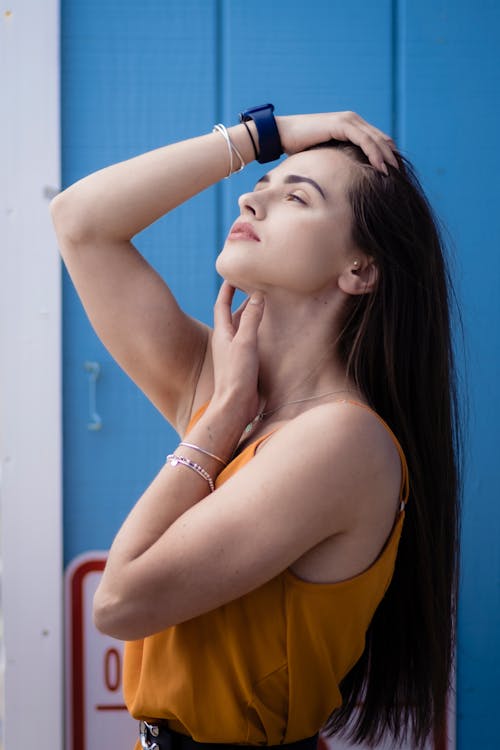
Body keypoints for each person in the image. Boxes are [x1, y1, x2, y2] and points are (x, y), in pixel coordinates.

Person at [51, 107, 460, 749]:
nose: (251, 196)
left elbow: (120, 603)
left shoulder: (341, 441)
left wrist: (217, 420)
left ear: (360, 269)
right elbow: (80, 222)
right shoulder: (237, 399)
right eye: (261, 186)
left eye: (296, 196)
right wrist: (258, 138)